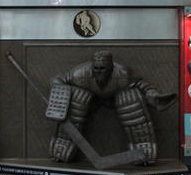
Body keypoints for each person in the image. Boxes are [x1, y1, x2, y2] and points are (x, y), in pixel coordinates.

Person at [47, 51, 176, 164]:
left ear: (111, 67)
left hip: (116, 101)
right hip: (89, 102)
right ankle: (61, 148)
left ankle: (144, 151)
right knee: (78, 97)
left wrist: (154, 97)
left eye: (103, 68)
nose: (98, 71)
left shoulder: (123, 74)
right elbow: (57, 79)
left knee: (130, 97)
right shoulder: (79, 74)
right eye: (96, 68)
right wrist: (59, 95)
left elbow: (143, 85)